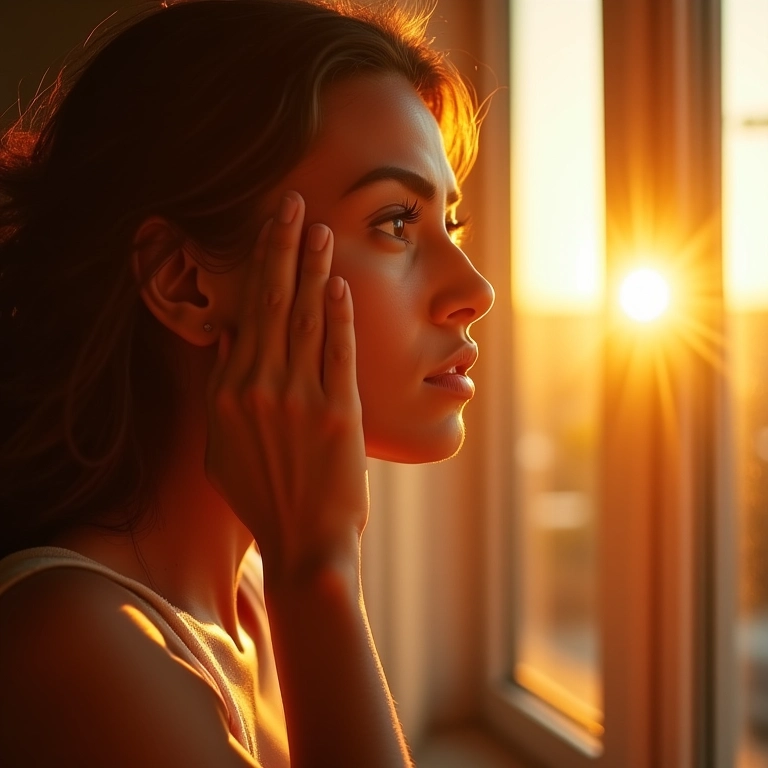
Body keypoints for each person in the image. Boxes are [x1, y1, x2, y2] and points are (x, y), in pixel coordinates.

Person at [0, 0, 494, 765]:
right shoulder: (75, 643)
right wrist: (317, 568)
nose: (474, 288)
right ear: (186, 282)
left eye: (449, 226)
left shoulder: (252, 594)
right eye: (396, 222)